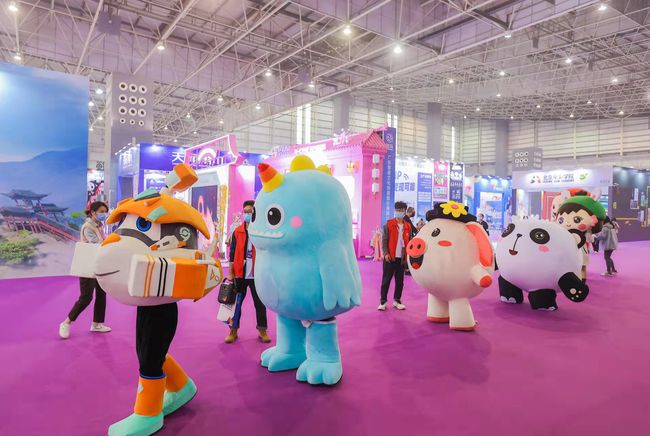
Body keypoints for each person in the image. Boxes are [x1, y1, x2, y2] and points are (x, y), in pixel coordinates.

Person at [59, 201, 111, 339]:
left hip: (98, 265)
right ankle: (66, 322)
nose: (104, 214)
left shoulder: (98, 226)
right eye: (101, 211)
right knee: (86, 297)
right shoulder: (88, 227)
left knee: (101, 294)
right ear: (93, 212)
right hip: (88, 266)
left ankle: (97, 323)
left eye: (105, 211)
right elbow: (97, 244)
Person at [225, 200, 270, 344]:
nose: (247, 214)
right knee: (236, 304)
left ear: (255, 213)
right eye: (245, 212)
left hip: (257, 274)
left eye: (250, 212)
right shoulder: (237, 232)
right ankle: (233, 330)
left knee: (260, 303)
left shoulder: (261, 231)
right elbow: (232, 253)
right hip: (240, 274)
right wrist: (230, 272)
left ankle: (262, 330)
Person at [378, 201, 412, 311]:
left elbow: (409, 241)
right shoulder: (388, 224)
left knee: (400, 281)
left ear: (405, 212)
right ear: (395, 211)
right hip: (390, 258)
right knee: (386, 280)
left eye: (401, 210)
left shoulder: (408, 226)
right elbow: (384, 240)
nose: (399, 212)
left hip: (401, 259)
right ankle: (383, 301)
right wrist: (386, 253)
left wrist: (407, 257)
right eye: (397, 210)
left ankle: (397, 301)